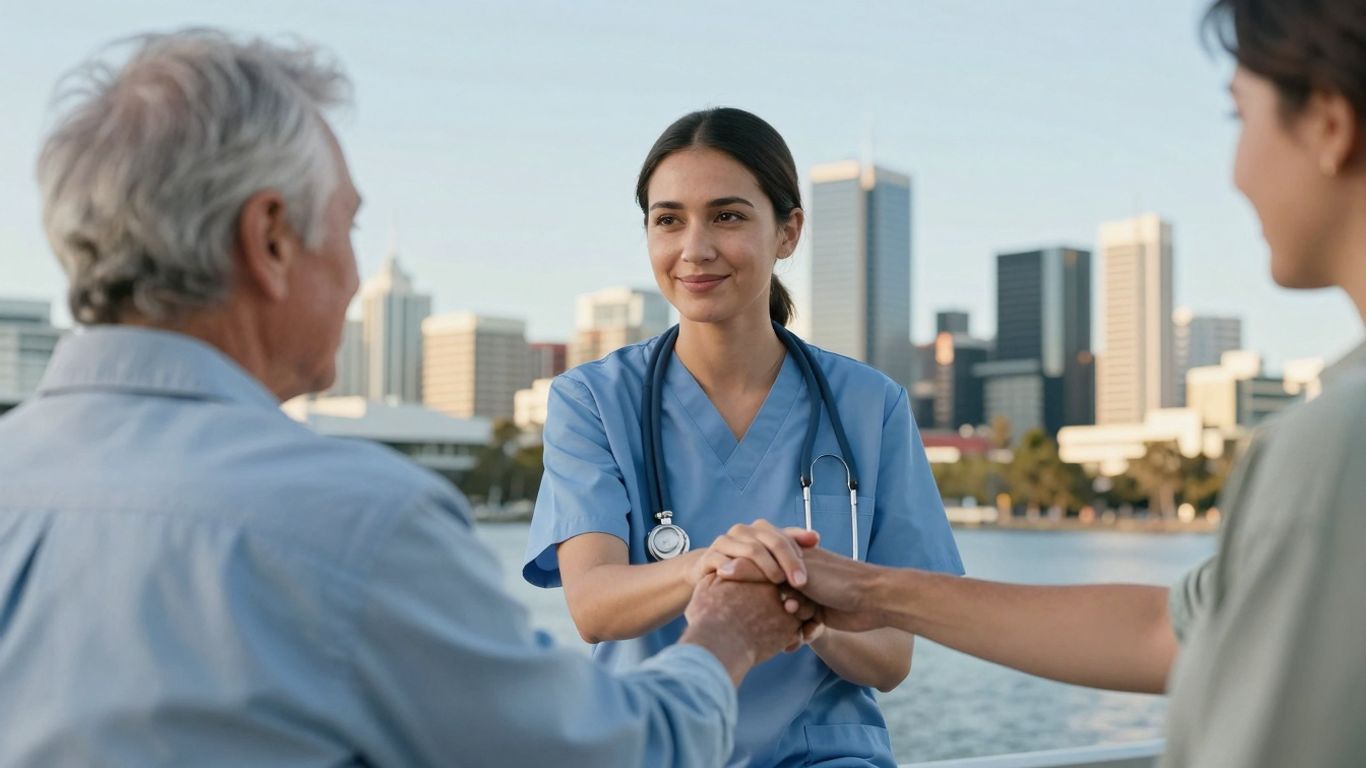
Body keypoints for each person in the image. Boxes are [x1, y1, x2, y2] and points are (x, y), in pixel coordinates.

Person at [0, 30, 815, 768]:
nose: (354, 274)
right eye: (348, 226)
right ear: (271, 239)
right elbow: (609, 755)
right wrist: (723, 640)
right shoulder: (358, 525)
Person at [738, 1, 1366, 764]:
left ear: (1328, 125)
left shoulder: (1333, 446)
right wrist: (869, 591)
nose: (1235, 172)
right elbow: (1170, 631)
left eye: (1241, 116)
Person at [522, 107, 963, 767]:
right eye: (669, 220)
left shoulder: (871, 406)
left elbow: (890, 659)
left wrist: (801, 610)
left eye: (727, 216)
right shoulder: (591, 400)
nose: (695, 249)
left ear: (788, 232)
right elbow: (595, 608)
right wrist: (713, 563)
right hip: (654, 749)